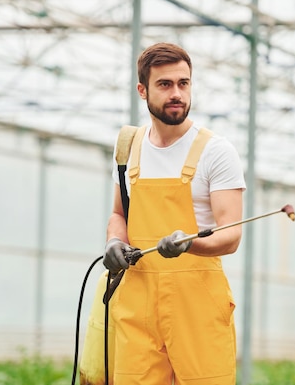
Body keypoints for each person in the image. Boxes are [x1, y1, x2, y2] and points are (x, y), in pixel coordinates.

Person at [103, 42, 246, 385]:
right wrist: (113, 240)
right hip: (137, 303)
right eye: (165, 85)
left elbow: (231, 234)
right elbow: (119, 213)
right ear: (143, 90)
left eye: (184, 83)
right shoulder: (128, 148)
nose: (177, 93)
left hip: (196, 305)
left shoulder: (215, 151)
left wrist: (189, 244)